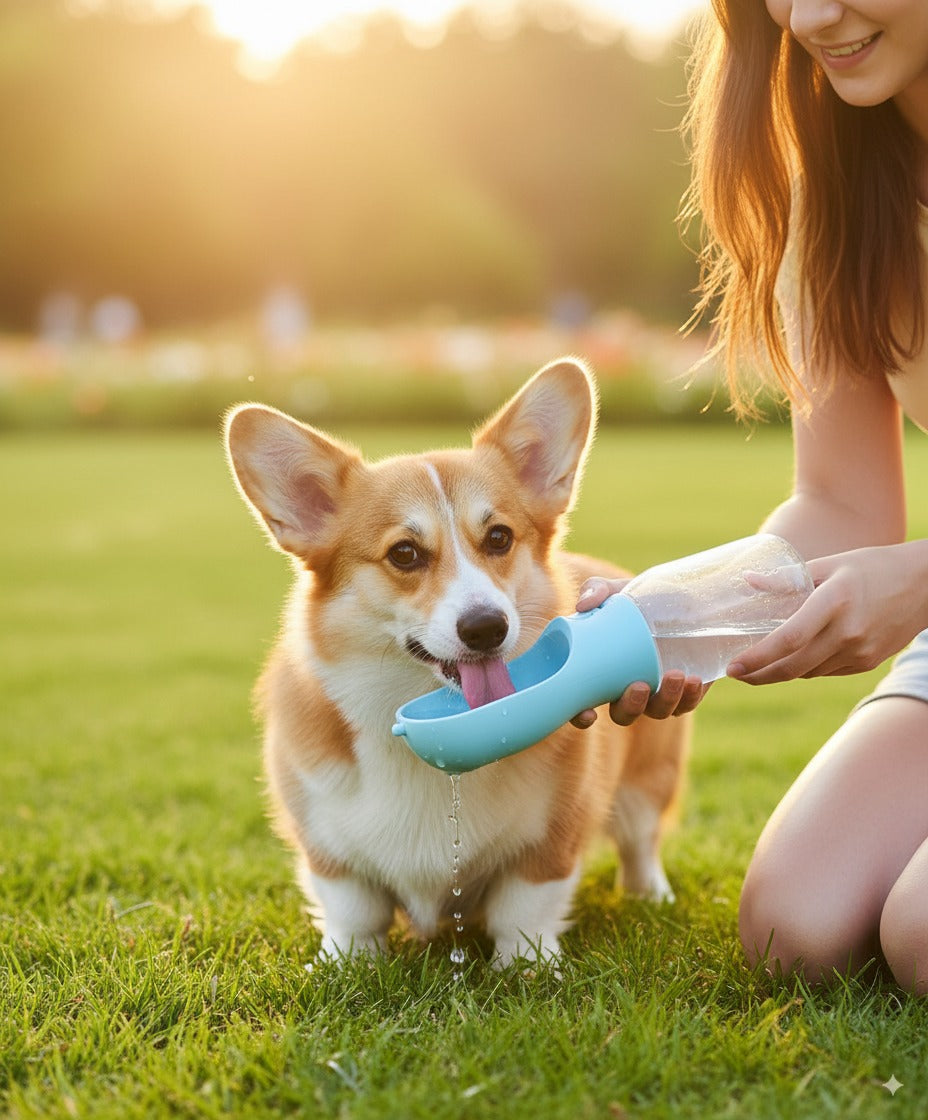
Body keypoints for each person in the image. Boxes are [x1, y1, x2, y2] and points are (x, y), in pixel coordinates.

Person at [576, 0, 928, 995]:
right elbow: (843, 506)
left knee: (922, 931)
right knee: (795, 927)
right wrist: (673, 611)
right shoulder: (843, 198)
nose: (809, 16)